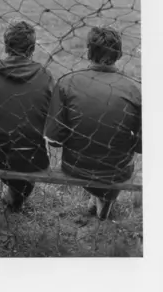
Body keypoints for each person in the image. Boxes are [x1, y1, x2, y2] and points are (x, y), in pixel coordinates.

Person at [45, 27, 141, 220]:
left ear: (88, 51)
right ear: (120, 54)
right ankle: (103, 202)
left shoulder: (67, 82)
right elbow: (142, 145)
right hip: (117, 169)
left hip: (76, 165)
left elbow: (54, 140)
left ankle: (99, 201)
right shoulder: (135, 88)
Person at [0, 21, 54, 211]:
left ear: (5, 45)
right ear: (33, 48)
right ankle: (15, 197)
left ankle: (12, 195)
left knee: (10, 148)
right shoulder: (45, 76)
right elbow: (50, 122)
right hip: (33, 157)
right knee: (30, 148)